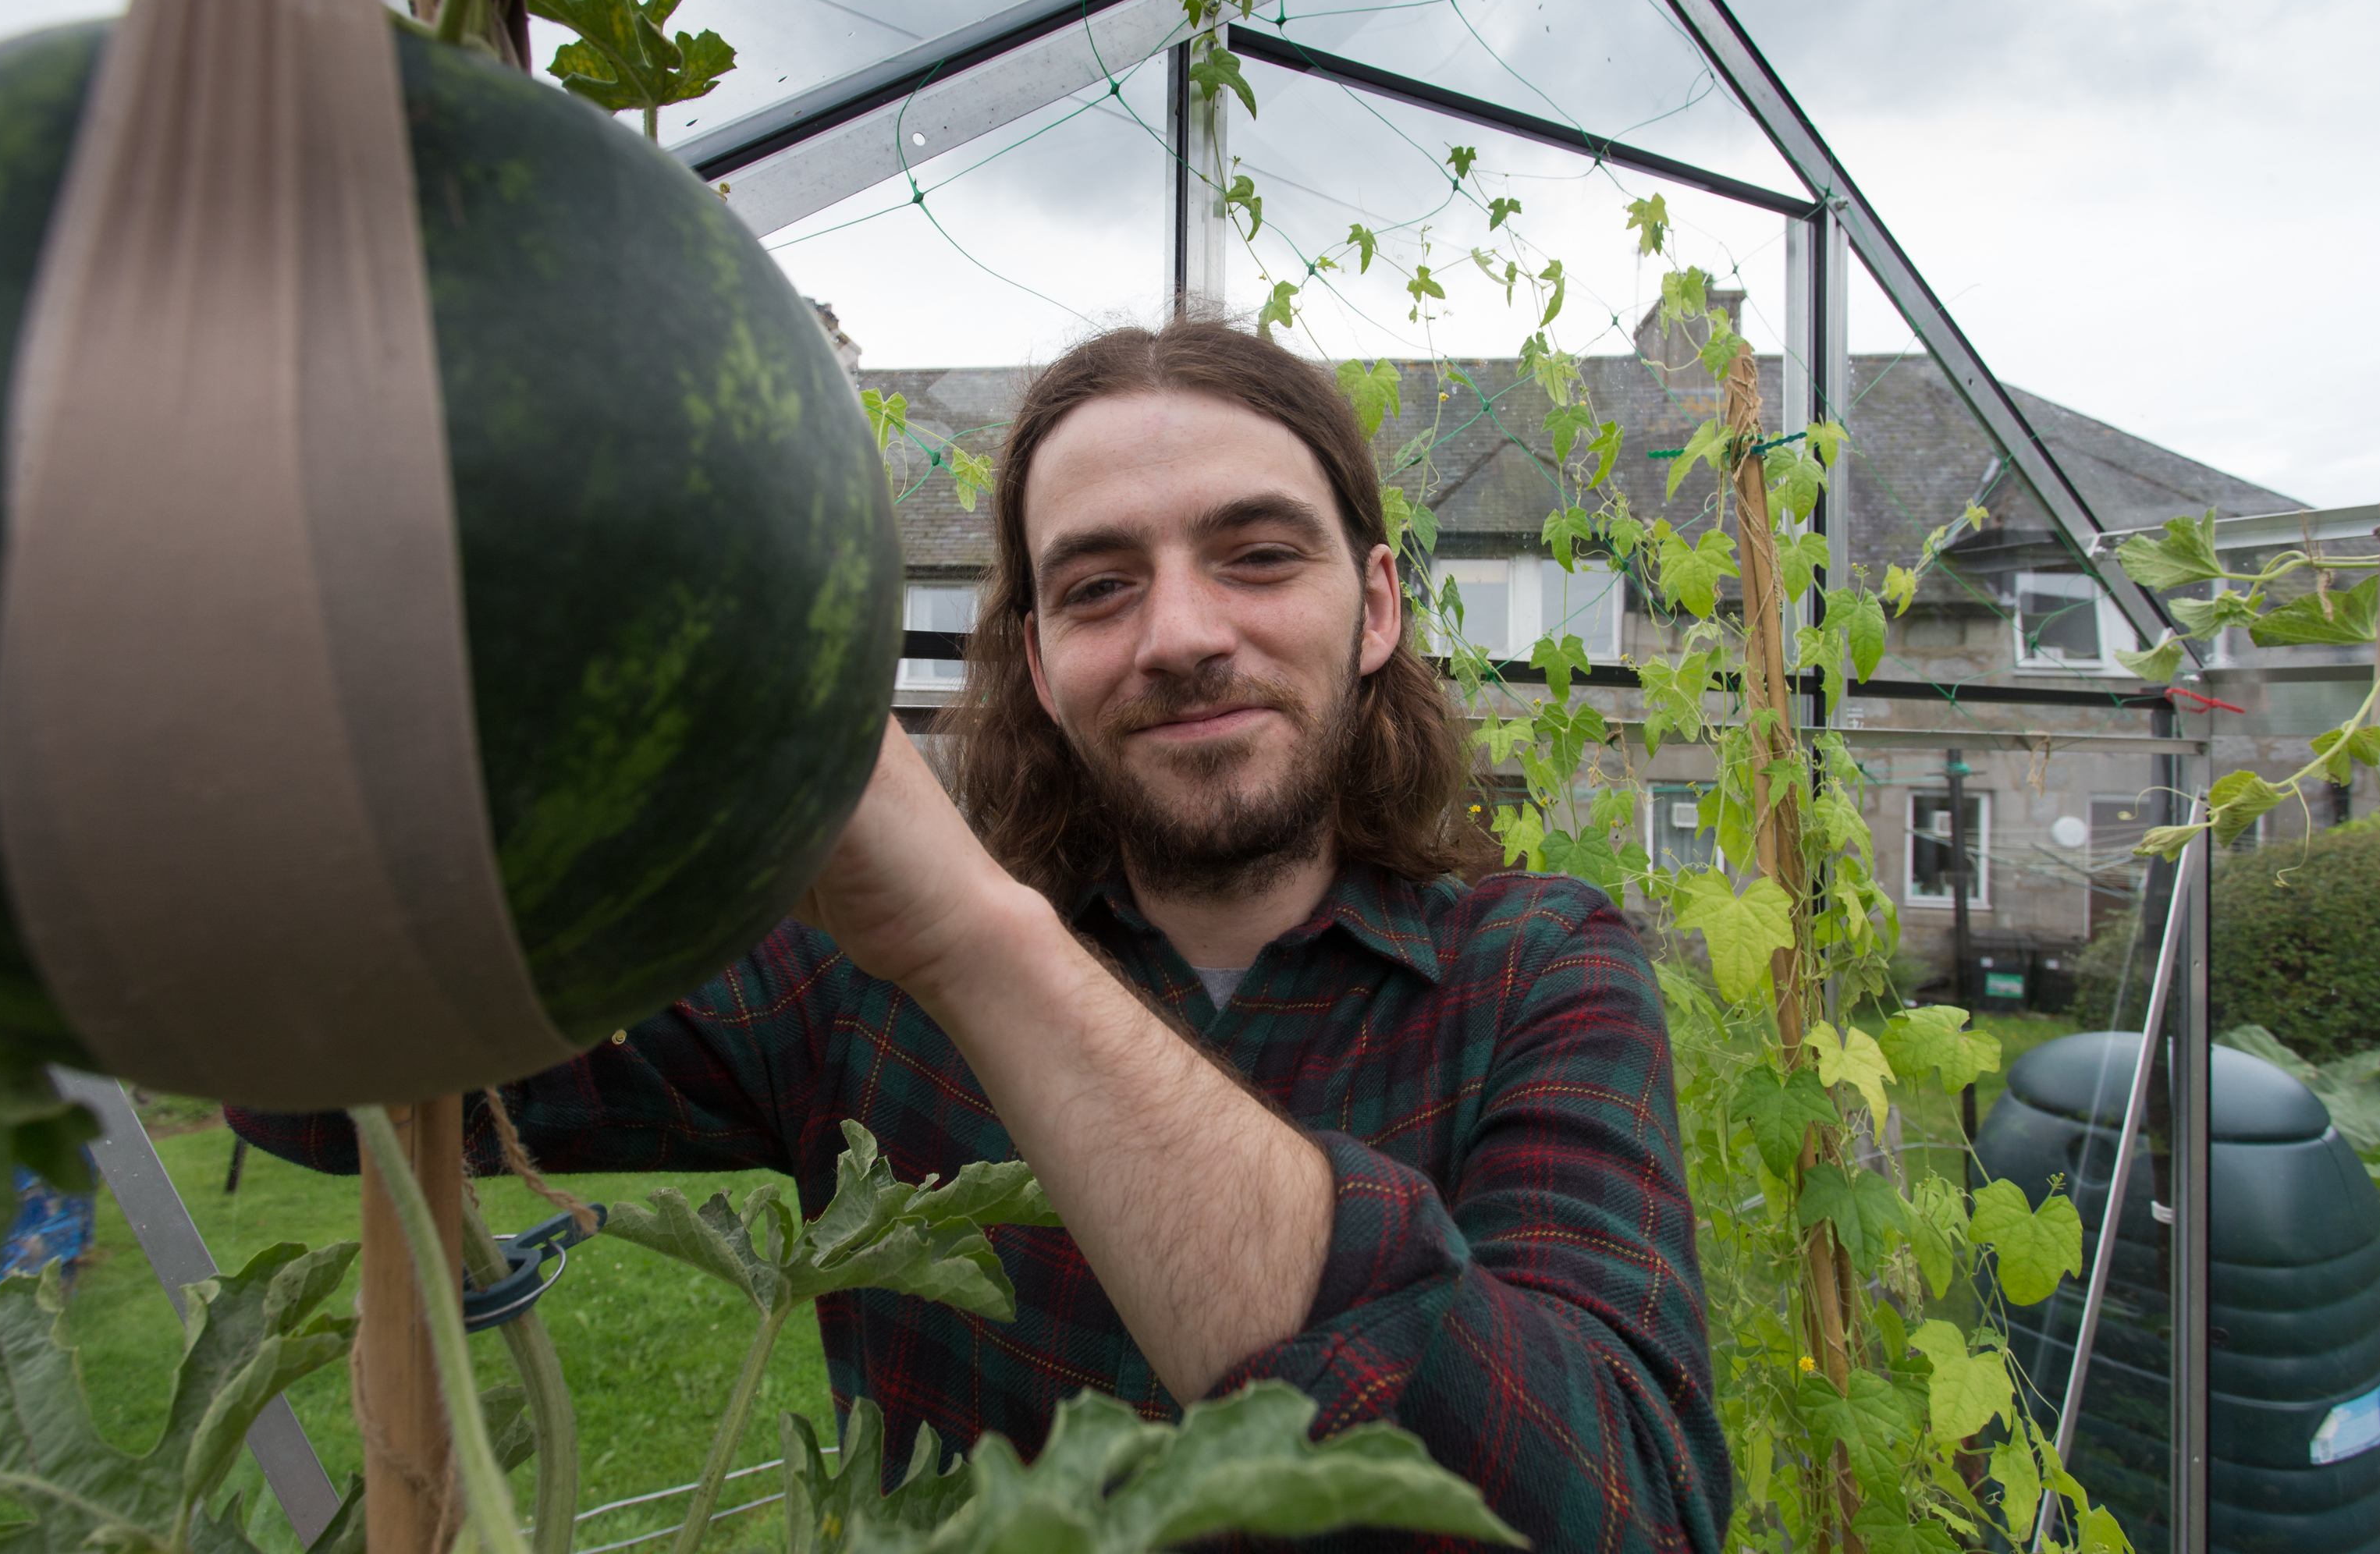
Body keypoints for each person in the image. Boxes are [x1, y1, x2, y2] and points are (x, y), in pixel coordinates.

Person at [233, 320, 1729, 1552]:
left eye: (1259, 556)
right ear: (1037, 658)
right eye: (1098, 587)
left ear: (1380, 606)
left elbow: (1615, 1512)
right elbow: (300, 1063)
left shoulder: (1536, 974)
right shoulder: (843, 988)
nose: (1182, 633)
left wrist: (978, 945)